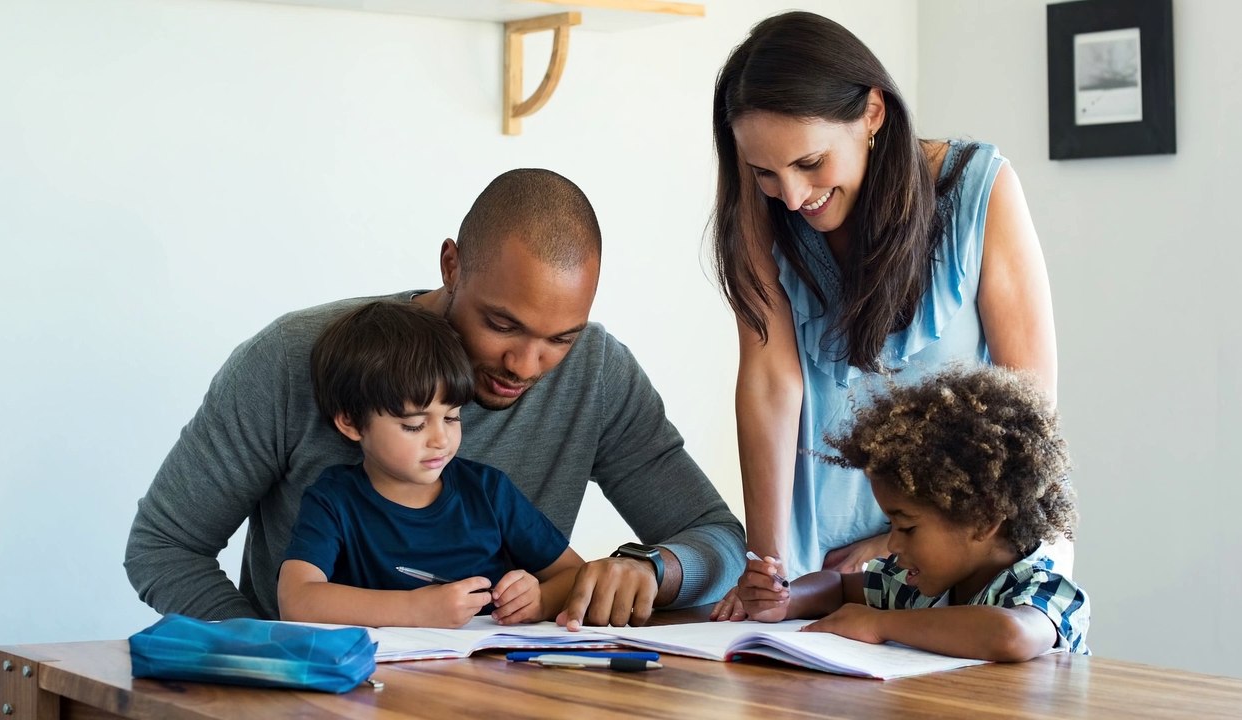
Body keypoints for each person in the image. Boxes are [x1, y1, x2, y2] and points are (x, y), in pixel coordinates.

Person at [125, 168, 744, 628]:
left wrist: (652, 568)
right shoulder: (292, 359)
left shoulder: (597, 373)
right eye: (501, 325)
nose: (526, 366)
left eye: (561, 338)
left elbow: (717, 539)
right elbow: (164, 547)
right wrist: (270, 656)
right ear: (452, 264)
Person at [707, 11, 1063, 619]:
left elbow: (1027, 411)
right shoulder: (760, 214)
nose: (792, 196)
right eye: (765, 172)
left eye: (810, 163)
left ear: (873, 112)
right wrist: (768, 566)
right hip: (815, 563)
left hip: (964, 558)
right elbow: (770, 383)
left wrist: (897, 542)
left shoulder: (980, 189)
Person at [739, 365, 1090, 660]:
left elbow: (1009, 635)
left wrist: (878, 624)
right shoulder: (918, 584)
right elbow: (838, 586)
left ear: (984, 520)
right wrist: (785, 600)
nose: (892, 544)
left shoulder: (1044, 587)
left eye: (906, 527)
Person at [277, 301, 583, 628]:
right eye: (414, 425)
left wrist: (540, 600)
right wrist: (415, 609)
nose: (440, 440)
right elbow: (296, 600)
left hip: (486, 657)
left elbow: (576, 575)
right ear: (351, 423)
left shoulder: (488, 491)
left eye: (452, 417)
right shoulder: (334, 500)